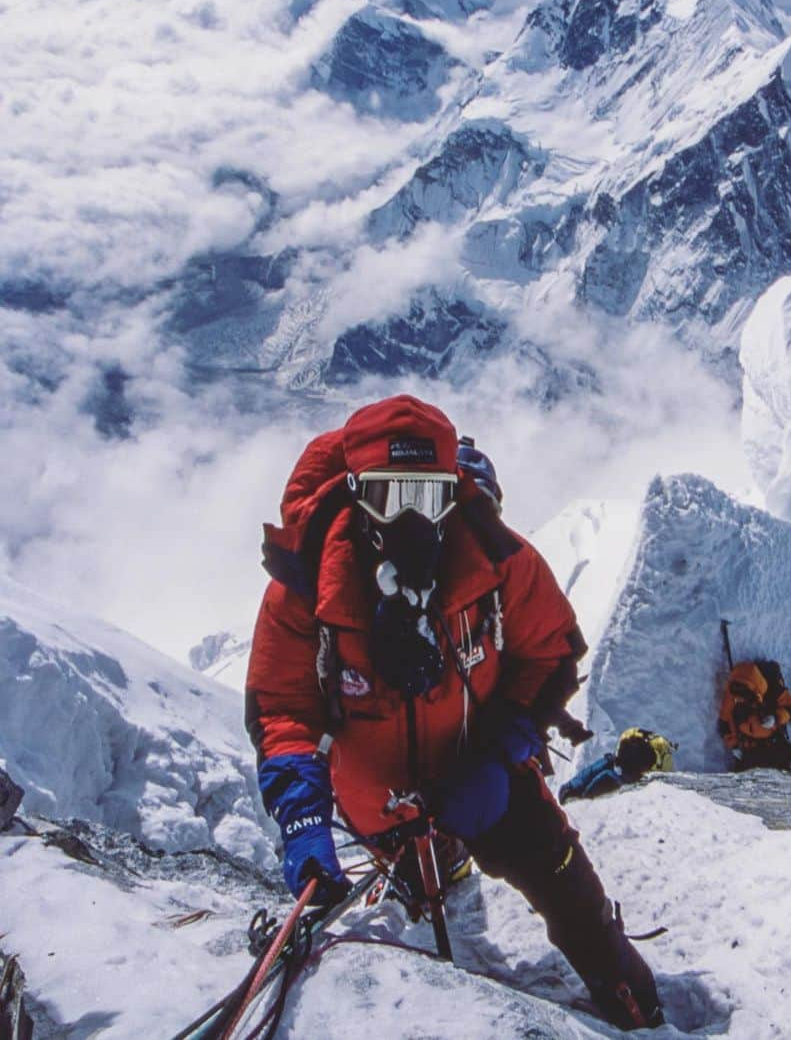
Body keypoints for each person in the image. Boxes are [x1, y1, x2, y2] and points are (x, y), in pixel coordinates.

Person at [246, 395, 662, 1030]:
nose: (412, 517)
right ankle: (432, 866)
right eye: (391, 496)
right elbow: (283, 707)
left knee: (567, 887)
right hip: (380, 806)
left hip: (482, 773)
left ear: (453, 493)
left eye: (430, 495)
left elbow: (551, 654)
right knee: (433, 873)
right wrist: (304, 818)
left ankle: (633, 997)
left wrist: (502, 750)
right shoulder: (306, 590)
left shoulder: (496, 564)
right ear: (358, 495)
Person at [717, 659, 791, 772]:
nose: (740, 701)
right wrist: (734, 746)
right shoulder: (732, 693)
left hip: (774, 744)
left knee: (789, 766)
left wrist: (776, 718)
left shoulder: (774, 689)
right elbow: (725, 723)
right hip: (748, 749)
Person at [559, 729, 677, 803]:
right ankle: (576, 796)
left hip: (623, 765)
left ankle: (572, 792)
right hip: (625, 772)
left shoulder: (611, 762)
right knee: (607, 775)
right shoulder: (610, 776)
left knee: (605, 768)